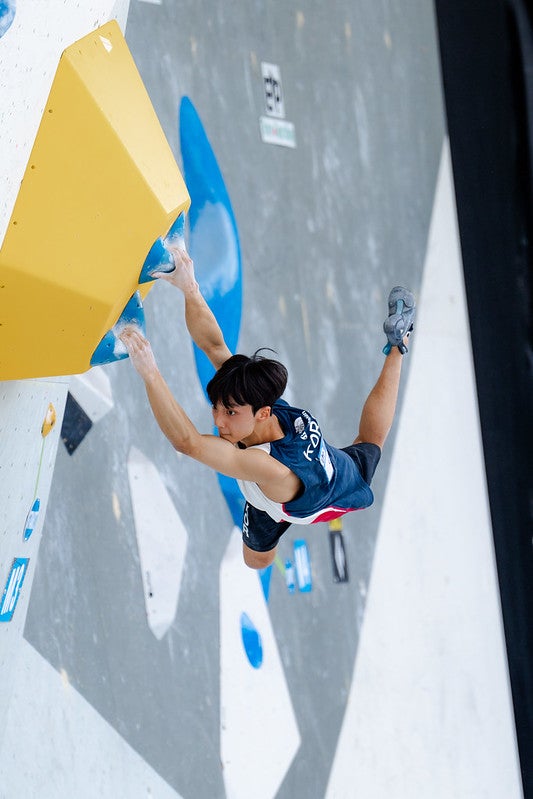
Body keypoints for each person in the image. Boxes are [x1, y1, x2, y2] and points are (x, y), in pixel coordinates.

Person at [120, 246, 415, 569]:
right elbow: (214, 345)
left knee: (256, 561)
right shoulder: (255, 397)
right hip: (321, 462)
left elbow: (187, 443)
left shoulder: (266, 466)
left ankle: (399, 347)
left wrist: (149, 369)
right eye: (218, 407)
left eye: (230, 412)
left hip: (327, 491)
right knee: (370, 442)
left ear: (263, 412)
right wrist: (189, 285)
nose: (219, 420)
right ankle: (397, 346)